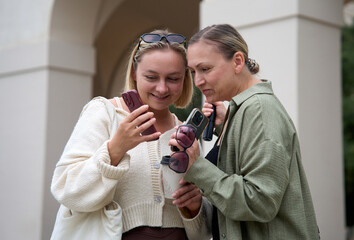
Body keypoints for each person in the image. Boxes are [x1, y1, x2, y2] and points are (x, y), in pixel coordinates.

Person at [51, 29, 212, 240]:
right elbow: (66, 189)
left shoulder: (184, 130)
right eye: (151, 77)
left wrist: (194, 207)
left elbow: (202, 233)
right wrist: (115, 149)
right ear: (135, 73)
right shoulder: (105, 112)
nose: (162, 88)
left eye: (173, 78)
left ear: (185, 79)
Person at [170, 24, 320, 239]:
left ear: (238, 62)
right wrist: (227, 126)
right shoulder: (243, 111)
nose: (198, 81)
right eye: (193, 72)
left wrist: (197, 166)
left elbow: (260, 202)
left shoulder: (258, 110)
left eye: (206, 69)